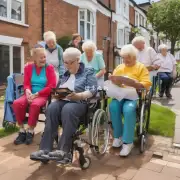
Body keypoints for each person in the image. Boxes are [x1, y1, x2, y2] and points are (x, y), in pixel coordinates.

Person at [30, 47, 97, 163]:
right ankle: (44, 149)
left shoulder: (88, 71)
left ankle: (63, 151)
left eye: (70, 63)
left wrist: (79, 96)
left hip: (79, 103)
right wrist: (56, 94)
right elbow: (57, 88)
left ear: (77, 60)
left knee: (68, 109)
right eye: (65, 62)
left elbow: (92, 90)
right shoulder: (65, 73)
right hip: (63, 101)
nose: (67, 65)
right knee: (52, 108)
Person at [109, 44, 152, 156]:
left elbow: (147, 84)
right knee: (113, 106)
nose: (125, 60)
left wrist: (136, 83)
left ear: (134, 57)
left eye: (128, 57)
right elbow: (114, 80)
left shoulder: (141, 67)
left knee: (128, 110)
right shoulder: (119, 67)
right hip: (120, 94)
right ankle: (118, 136)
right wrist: (114, 80)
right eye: (123, 57)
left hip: (134, 95)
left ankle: (128, 142)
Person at [13, 47, 56, 145]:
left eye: (45, 57)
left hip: (42, 95)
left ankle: (31, 131)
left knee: (35, 105)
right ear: (35, 59)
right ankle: (22, 130)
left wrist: (37, 94)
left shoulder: (49, 68)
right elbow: (26, 83)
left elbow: (51, 86)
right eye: (41, 58)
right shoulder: (28, 67)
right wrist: (27, 91)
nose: (44, 59)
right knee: (17, 103)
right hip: (29, 93)